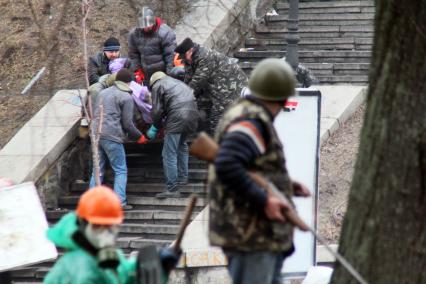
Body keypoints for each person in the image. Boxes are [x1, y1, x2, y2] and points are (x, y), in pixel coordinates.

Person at [208, 58, 311, 284]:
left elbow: (249, 167)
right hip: (252, 236)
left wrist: (287, 186)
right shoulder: (252, 121)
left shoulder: (246, 114)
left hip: (254, 234)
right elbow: (227, 164)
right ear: (280, 98)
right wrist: (264, 200)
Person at [44, 186, 136, 284]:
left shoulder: (109, 256)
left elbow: (123, 275)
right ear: (82, 224)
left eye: (110, 226)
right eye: (97, 226)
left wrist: (136, 267)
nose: (105, 233)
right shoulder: (76, 266)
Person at [89, 68, 147, 210]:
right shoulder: (126, 97)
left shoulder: (102, 93)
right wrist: (139, 136)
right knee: (120, 170)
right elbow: (128, 123)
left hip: (96, 135)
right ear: (129, 82)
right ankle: (119, 202)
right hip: (112, 136)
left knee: (98, 170)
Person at [174, 37, 248, 133]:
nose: (184, 59)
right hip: (217, 85)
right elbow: (188, 79)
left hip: (231, 85)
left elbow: (196, 83)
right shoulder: (190, 60)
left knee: (217, 119)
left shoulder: (204, 57)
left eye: (184, 56)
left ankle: (222, 143)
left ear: (190, 51)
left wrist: (180, 101)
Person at [146, 71, 198, 198]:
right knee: (182, 146)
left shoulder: (158, 86)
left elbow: (157, 111)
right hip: (192, 116)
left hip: (177, 118)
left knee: (169, 153)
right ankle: (183, 179)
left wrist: (155, 127)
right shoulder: (178, 83)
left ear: (153, 82)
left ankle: (172, 188)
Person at [128, 6, 177, 85]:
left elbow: (170, 55)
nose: (146, 27)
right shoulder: (134, 34)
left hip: (162, 74)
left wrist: (169, 74)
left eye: (148, 24)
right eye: (143, 25)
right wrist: (137, 70)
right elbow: (133, 54)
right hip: (146, 75)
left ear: (153, 20)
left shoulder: (165, 32)